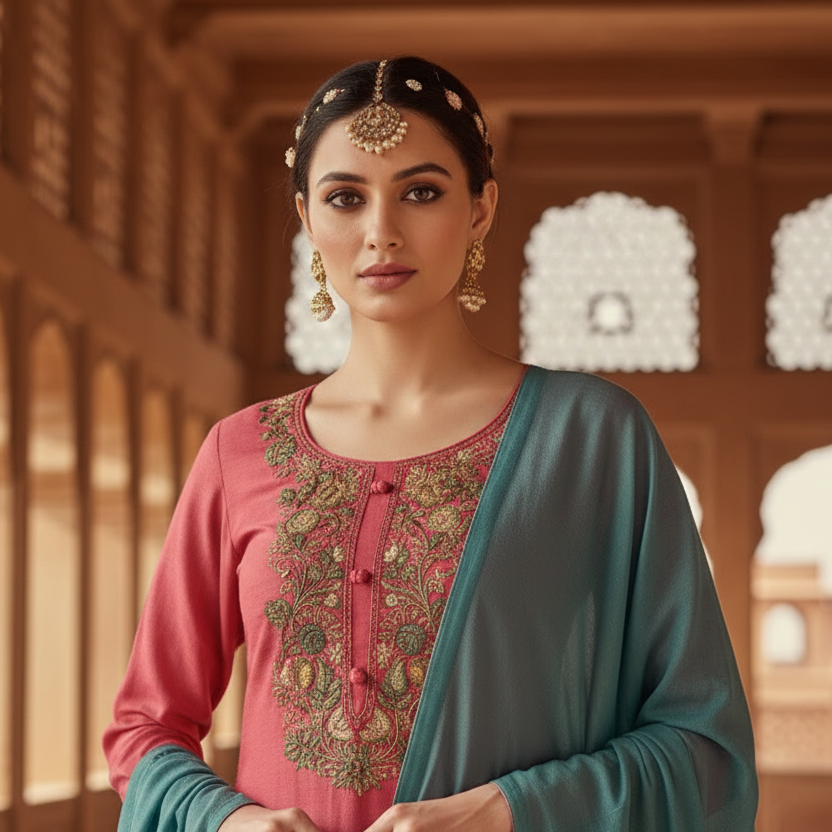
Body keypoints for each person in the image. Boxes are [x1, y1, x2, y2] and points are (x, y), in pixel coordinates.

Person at [104, 56, 758, 832]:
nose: (381, 232)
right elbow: (144, 729)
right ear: (308, 219)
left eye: (421, 192)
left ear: (481, 208)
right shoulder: (238, 452)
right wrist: (226, 821)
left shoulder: (593, 439)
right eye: (346, 198)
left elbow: (703, 745)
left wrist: (508, 811)